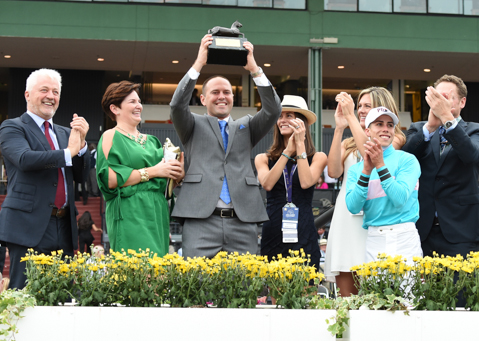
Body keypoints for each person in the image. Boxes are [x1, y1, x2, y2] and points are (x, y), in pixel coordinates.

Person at [170, 33, 281, 258]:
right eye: (215, 92)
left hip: (242, 220)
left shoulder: (247, 126)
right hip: (201, 220)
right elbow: (176, 105)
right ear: (202, 99)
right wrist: (199, 62)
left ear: (233, 97)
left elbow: (273, 111)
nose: (222, 97)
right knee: (197, 285)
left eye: (227, 92)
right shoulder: (191, 124)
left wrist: (255, 70)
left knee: (243, 285)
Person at [0, 68, 89, 289]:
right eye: (44, 90)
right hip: (28, 225)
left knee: (62, 295)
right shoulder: (12, 127)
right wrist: (69, 152)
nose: (51, 96)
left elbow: (80, 175)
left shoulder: (64, 133)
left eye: (56, 92)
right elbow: (24, 159)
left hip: (64, 224)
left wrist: (84, 145)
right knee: (24, 294)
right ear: (27, 95)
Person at [325, 87, 406, 297]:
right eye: (359, 106)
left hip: (375, 218)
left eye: (366, 106)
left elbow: (370, 153)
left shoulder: (396, 138)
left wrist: (350, 115)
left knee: (376, 292)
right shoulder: (348, 142)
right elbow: (333, 172)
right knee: (346, 295)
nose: (360, 110)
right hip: (347, 215)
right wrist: (339, 127)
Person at [402, 74, 479, 258]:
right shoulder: (418, 129)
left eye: (447, 97)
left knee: (461, 286)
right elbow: (405, 158)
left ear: (462, 102)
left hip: (462, 228)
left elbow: (471, 154)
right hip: (422, 227)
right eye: (437, 97)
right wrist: (430, 128)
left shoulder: (478, 130)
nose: (440, 102)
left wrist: (446, 118)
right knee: (423, 285)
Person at [98, 81, 184, 257]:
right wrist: (155, 171)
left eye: (139, 101)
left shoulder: (152, 141)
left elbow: (163, 185)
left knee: (158, 274)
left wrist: (176, 175)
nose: (139, 106)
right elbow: (111, 180)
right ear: (115, 109)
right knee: (136, 273)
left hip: (157, 210)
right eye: (132, 102)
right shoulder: (111, 136)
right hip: (130, 211)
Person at [255, 95, 327, 270]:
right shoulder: (263, 158)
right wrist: (287, 152)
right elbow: (267, 184)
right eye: (280, 116)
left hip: (303, 226)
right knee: (276, 290)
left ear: (302, 122)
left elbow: (306, 182)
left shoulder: (318, 157)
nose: (283, 120)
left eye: (289, 116)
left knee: (306, 289)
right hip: (274, 227)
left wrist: (300, 145)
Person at [345, 106, 422, 264]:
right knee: (375, 290)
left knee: (408, 290)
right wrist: (366, 171)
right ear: (368, 131)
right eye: (379, 124)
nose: (385, 129)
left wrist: (380, 165)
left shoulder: (408, 160)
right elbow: (352, 207)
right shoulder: (357, 169)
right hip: (374, 238)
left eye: (390, 125)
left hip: (405, 237)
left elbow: (399, 199)